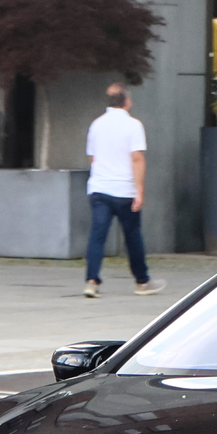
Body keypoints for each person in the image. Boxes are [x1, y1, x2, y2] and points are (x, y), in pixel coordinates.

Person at [83, 83, 161, 298]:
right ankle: (142, 281)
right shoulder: (133, 125)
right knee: (132, 236)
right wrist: (140, 190)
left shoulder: (96, 125)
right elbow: (137, 158)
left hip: (100, 188)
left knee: (98, 236)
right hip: (125, 190)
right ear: (126, 102)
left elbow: (93, 158)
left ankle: (91, 281)